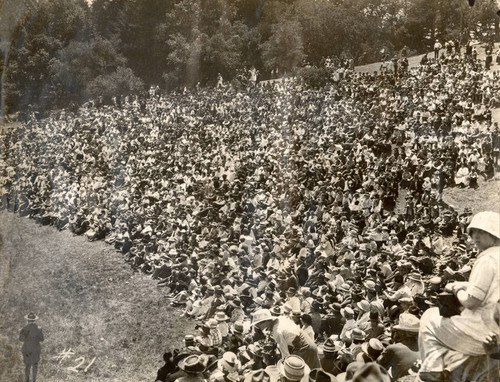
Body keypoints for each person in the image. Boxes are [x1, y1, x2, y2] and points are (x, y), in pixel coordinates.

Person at [418, 211, 500, 381]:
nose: (476, 237)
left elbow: (471, 301)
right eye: (473, 232)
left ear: (493, 233)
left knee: (429, 317)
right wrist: (463, 284)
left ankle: (431, 368)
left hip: (482, 330)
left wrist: (457, 290)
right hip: (495, 325)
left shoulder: (487, 259)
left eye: (481, 232)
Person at [252, 309, 320, 369]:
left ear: (266, 321)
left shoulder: (277, 331)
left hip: (304, 348)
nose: (257, 326)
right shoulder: (280, 319)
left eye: (258, 324)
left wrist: (284, 367)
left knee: (300, 371)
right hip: (307, 341)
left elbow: (285, 354)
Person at [19, 313, 44, 382]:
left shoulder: (24, 329)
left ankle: (27, 380)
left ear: (27, 320)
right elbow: (42, 339)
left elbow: (21, 339)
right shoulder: (38, 329)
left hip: (26, 349)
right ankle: (34, 380)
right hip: (35, 349)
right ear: (34, 320)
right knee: (35, 365)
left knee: (27, 366)